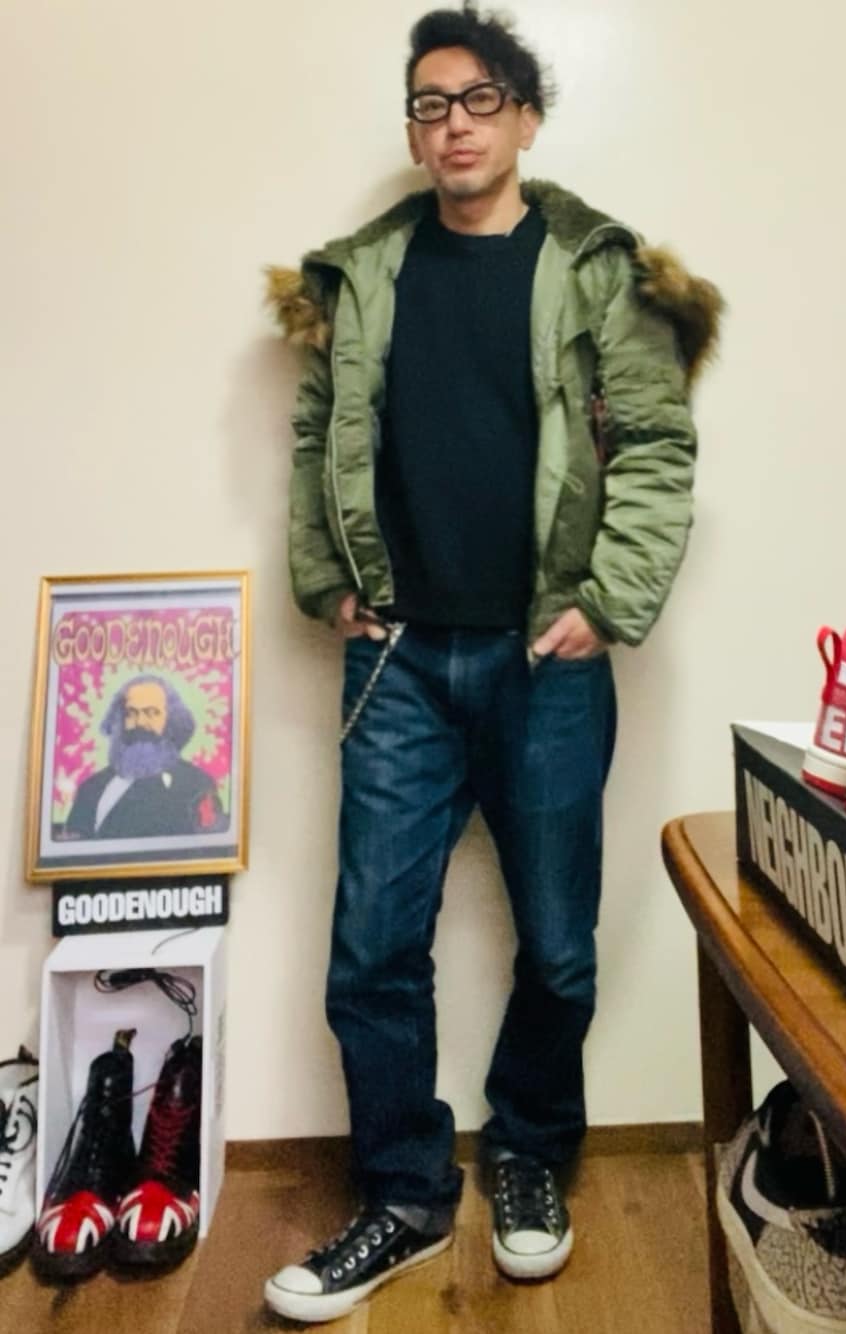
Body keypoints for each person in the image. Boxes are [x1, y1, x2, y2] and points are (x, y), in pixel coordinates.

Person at [264, 5, 721, 1324]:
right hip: (398, 660)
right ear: (414, 131)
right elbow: (317, 436)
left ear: (524, 115)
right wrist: (325, 577)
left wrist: (608, 602)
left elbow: (657, 444)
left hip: (544, 658)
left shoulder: (595, 271)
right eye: (429, 104)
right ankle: (405, 1193)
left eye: (476, 99)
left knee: (559, 945)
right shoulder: (364, 275)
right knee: (371, 951)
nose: (452, 124)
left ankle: (529, 1152)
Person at [64, 675, 224, 839]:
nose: (140, 722)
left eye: (152, 713)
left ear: (172, 720)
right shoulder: (91, 788)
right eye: (131, 713)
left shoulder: (197, 784)